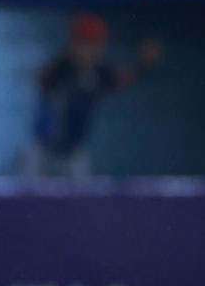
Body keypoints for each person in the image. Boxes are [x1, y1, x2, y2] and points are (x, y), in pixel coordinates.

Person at [22, 13, 163, 177]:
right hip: (42, 152)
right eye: (87, 44)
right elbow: (40, 78)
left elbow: (123, 79)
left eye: (98, 45)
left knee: (83, 193)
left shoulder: (99, 73)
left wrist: (144, 65)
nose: (94, 50)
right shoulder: (61, 69)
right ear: (75, 44)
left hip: (72, 153)